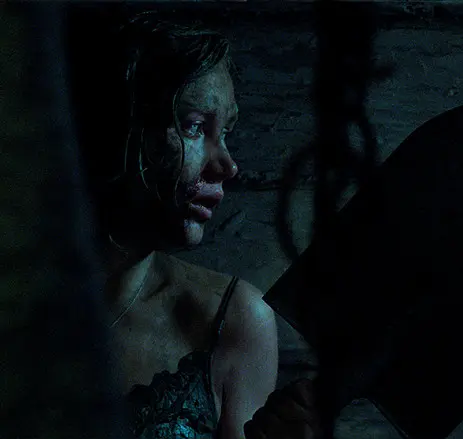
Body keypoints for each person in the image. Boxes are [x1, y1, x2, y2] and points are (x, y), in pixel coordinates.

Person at [66, 10, 320, 439]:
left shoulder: (230, 322)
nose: (227, 165)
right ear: (115, 127)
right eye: (195, 126)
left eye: (227, 132)